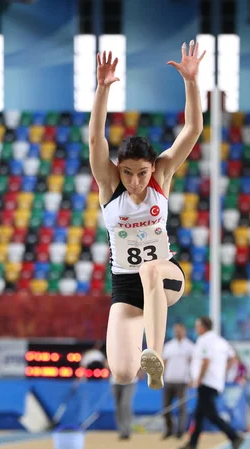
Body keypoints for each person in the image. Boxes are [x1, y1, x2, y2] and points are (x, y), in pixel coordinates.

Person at [88, 41, 205, 391]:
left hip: (167, 277)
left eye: (141, 173)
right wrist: (102, 88)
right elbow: (96, 141)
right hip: (125, 285)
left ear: (152, 168)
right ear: (118, 170)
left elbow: (193, 130)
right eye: (127, 173)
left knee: (151, 268)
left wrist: (191, 81)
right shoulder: (110, 186)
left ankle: (155, 353)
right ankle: (141, 360)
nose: (135, 182)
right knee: (122, 373)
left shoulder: (162, 177)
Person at [179, 317, 245, 449]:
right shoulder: (221, 341)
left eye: (197, 326)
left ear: (203, 327)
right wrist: (223, 374)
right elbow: (232, 358)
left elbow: (206, 361)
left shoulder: (204, 340)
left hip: (206, 383)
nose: (196, 329)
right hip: (216, 382)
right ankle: (192, 443)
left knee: (211, 414)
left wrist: (198, 379)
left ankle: (234, 436)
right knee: (199, 414)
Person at [162, 322, 194, 439]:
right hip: (169, 380)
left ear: (184, 331)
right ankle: (169, 429)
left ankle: (180, 431)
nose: (177, 333)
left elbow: (193, 364)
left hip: (182, 381)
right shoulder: (168, 346)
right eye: (175, 331)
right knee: (166, 407)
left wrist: (192, 378)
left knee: (182, 408)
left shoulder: (190, 346)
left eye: (179, 330)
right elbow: (163, 363)